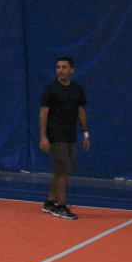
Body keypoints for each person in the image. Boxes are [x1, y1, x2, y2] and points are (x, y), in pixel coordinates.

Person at [39, 56, 90, 220]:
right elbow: (43, 113)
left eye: (64, 67)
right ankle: (60, 207)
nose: (60, 70)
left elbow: (81, 112)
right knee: (63, 171)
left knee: (61, 171)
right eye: (58, 67)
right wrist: (43, 136)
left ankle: (49, 203)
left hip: (70, 136)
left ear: (71, 70)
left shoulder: (77, 89)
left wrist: (86, 135)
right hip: (55, 136)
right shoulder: (50, 89)